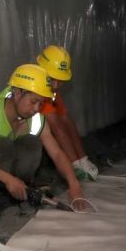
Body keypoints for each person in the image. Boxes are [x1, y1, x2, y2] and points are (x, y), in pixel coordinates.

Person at [0, 63, 84, 213]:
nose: (36, 109)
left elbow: (57, 154)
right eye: (33, 101)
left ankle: (10, 191)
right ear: (18, 93)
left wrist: (74, 185)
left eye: (41, 103)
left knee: (32, 143)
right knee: (3, 144)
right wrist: (8, 179)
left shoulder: (37, 119)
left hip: (2, 174)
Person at [34, 44, 100, 182]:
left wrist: (83, 159)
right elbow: (58, 129)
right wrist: (75, 166)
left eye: (60, 80)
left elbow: (66, 121)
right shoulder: (36, 91)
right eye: (53, 78)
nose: (56, 85)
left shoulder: (51, 90)